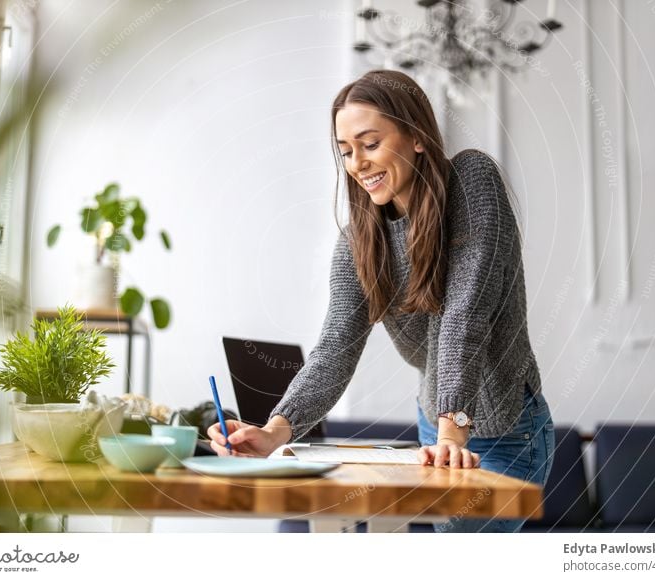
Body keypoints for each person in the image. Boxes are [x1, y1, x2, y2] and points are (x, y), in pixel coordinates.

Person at [209, 69, 555, 532]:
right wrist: (276, 430)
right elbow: (335, 349)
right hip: (436, 430)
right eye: (346, 151)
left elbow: (465, 314)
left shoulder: (472, 182)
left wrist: (453, 427)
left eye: (370, 144)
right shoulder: (359, 241)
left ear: (415, 136)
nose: (357, 164)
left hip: (507, 429)